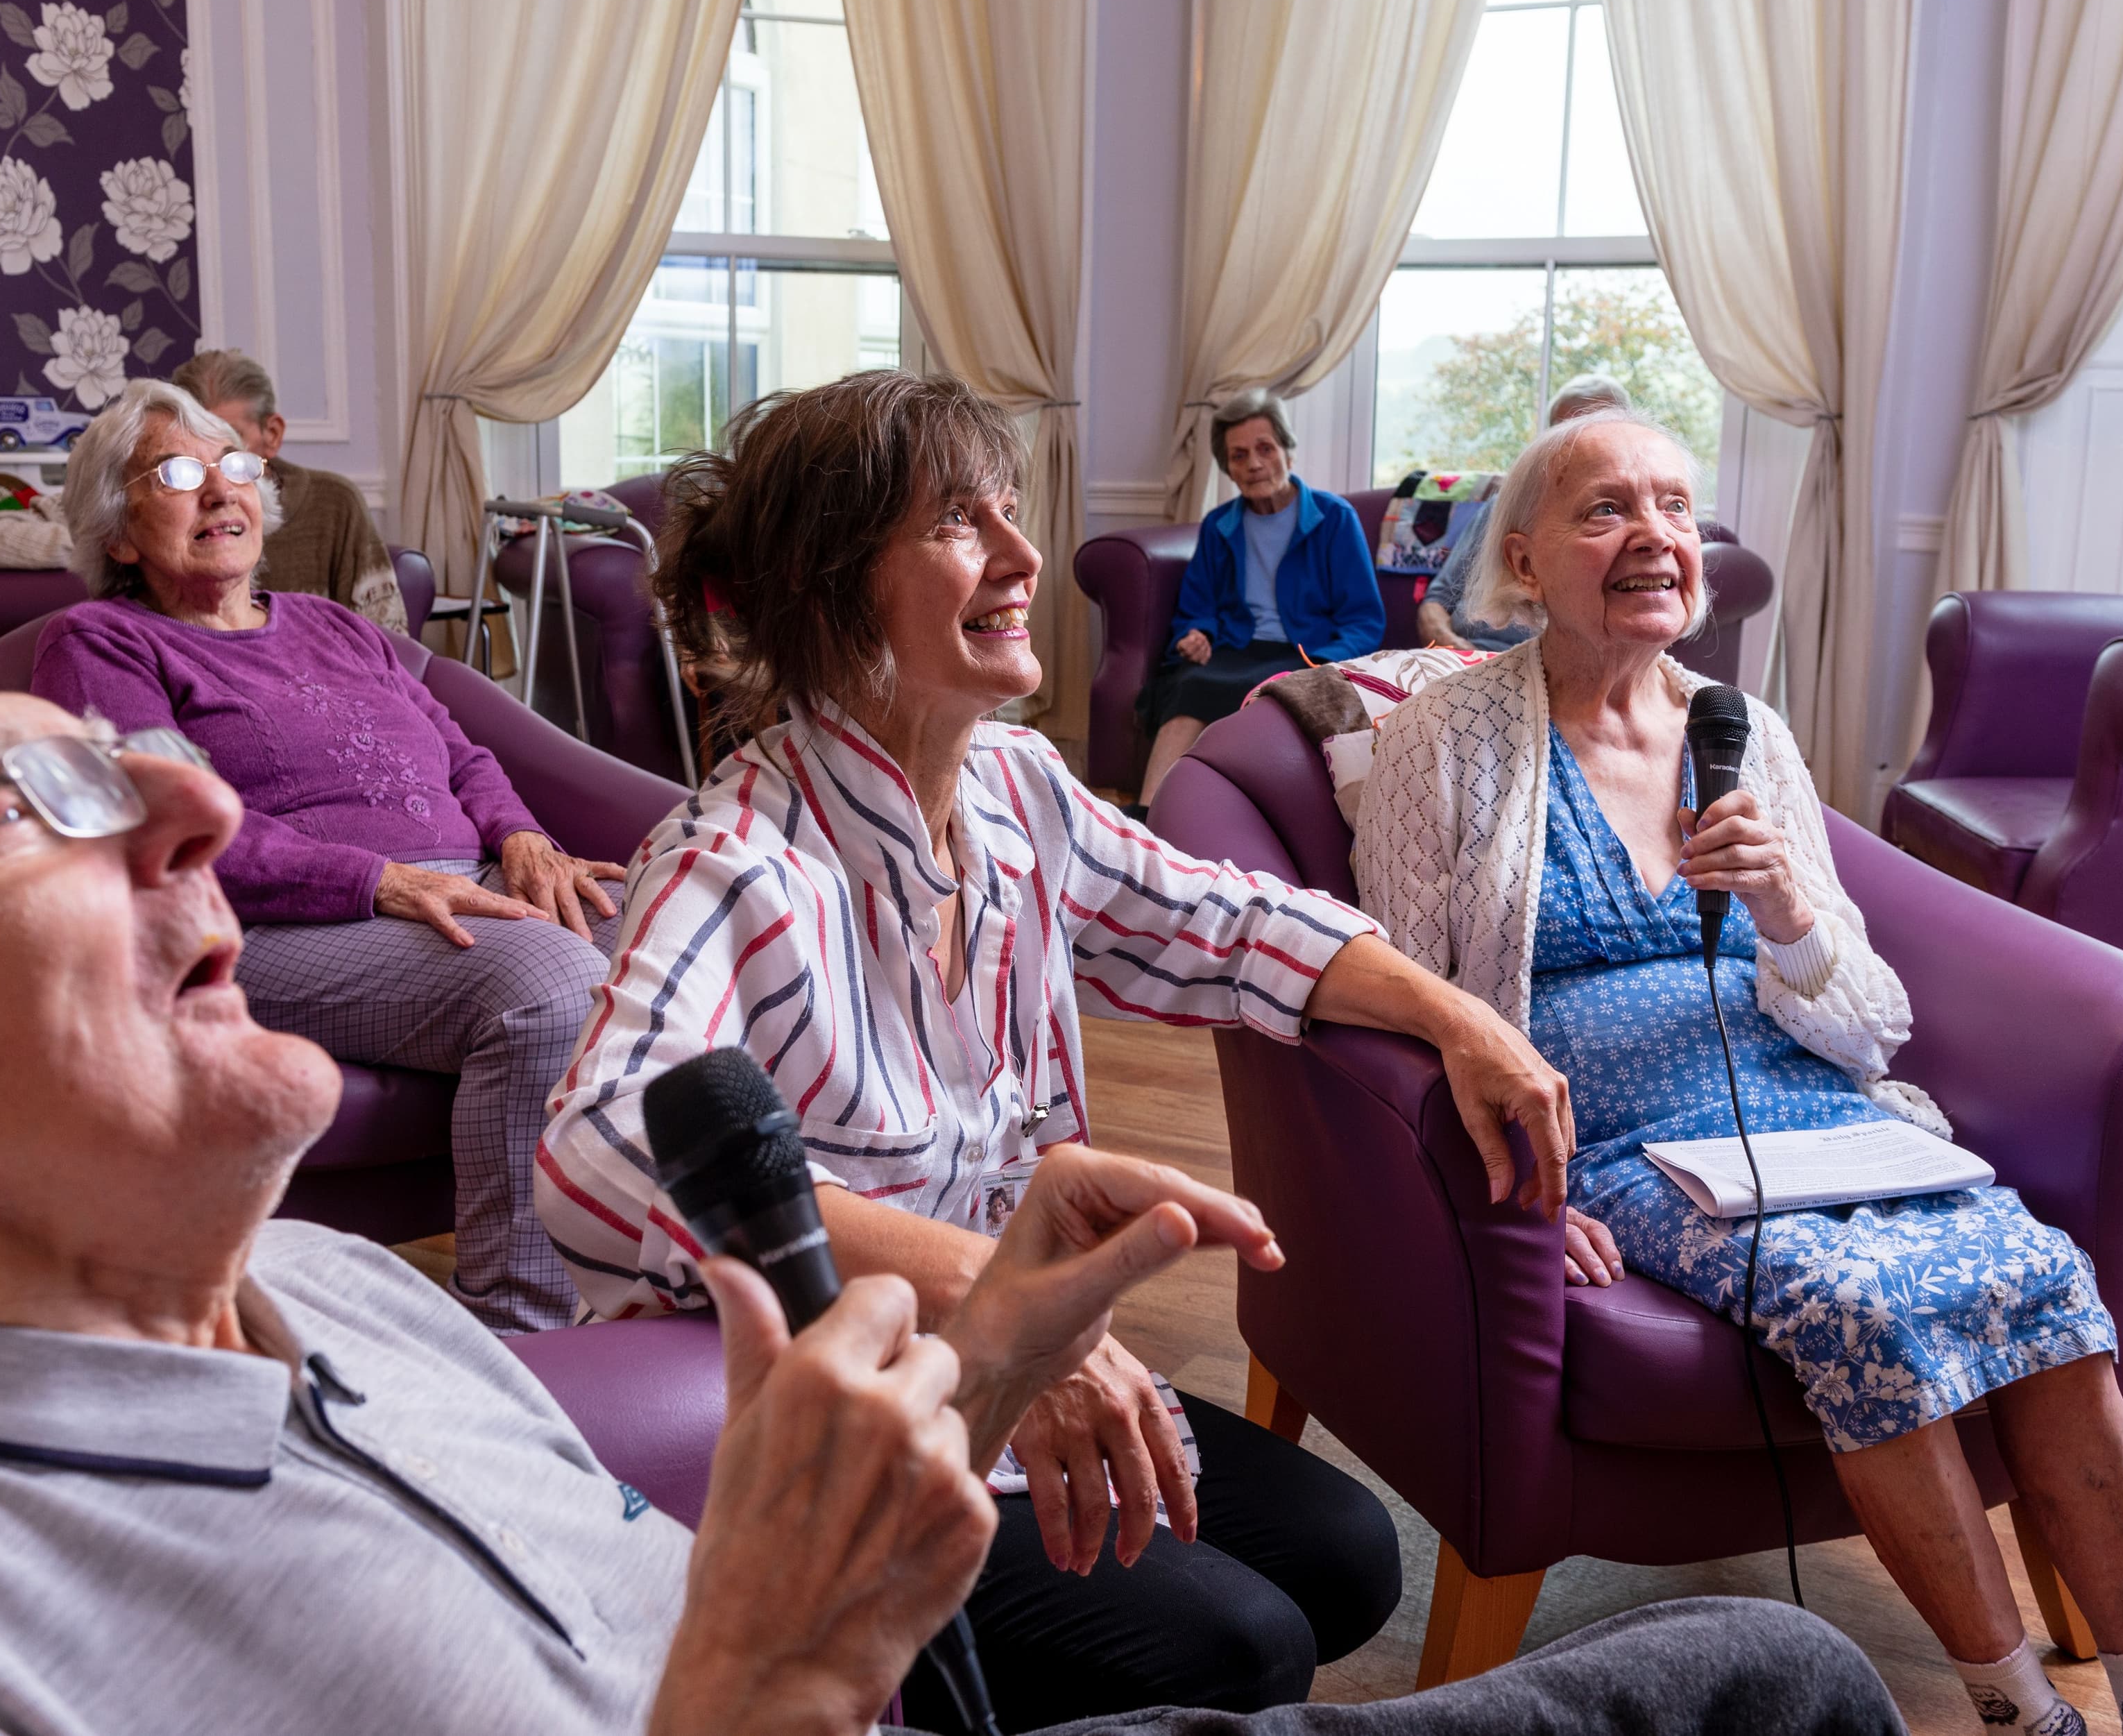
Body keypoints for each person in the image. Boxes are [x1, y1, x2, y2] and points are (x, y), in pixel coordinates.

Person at [0, 669, 1909, 1736]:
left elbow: (1231, 917)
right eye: (33, 804)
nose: (202, 795)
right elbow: (594, 1139)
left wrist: (982, 1351)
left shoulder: (319, 1283)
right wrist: (766, 1655)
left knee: (1756, 1671)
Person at [537, 370, 1614, 1731]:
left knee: (1346, 1558)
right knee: (1240, 1646)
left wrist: (1461, 1018)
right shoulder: (734, 867)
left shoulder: (1013, 785)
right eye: (954, 522)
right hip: (823, 1440)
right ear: (825, 586)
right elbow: (592, 1161)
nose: (1023, 553)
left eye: (1009, 508)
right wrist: (1008, 1304)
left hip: (1008, 1373)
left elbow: (1229, 922)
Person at [1354, 405, 2123, 1736]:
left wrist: (1789, 915)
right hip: (1629, 1144)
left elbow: (1871, 1026)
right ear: (1524, 560)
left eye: (1676, 508)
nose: (1655, 533)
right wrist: (1514, 1182)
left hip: (1814, 1109)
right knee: (1858, 1304)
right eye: (1606, 509)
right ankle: (2020, 1706)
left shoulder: (1742, 728)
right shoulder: (1450, 737)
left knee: (2049, 1276)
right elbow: (1414, 1004)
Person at [30, 378, 622, 1333]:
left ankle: (662, 1279)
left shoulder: (333, 623)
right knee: (548, 980)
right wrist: (378, 880)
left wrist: (522, 839)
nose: (221, 490)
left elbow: (462, 752)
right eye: (178, 473)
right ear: (119, 532)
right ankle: (526, 1331)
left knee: (678, 920)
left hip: (451, 889)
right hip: (270, 927)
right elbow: (163, 822)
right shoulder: (103, 642)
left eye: (234, 466)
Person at [1136, 389, 1384, 808]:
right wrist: (1198, 633)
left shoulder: (1334, 518)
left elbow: (1364, 620)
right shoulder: (1220, 526)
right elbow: (1197, 607)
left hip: (1307, 652)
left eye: (1265, 449)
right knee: (1189, 686)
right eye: (1238, 456)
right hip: (1236, 647)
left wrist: (1324, 662)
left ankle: (1229, 817)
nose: (1253, 464)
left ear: (1289, 453)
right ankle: (1145, 820)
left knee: (1276, 693)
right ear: (1228, 470)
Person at [171, 347, 408, 635]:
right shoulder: (171, 518)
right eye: (192, 446)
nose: (216, 478)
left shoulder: (335, 504)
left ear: (272, 434)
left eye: (231, 445)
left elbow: (386, 643)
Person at [1416, 374, 1632, 653]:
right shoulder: (1502, 507)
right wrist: (1454, 653)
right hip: (1462, 658)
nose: (1572, 446)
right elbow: (1436, 601)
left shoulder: (1628, 528)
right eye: (1562, 432)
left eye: (1590, 430)